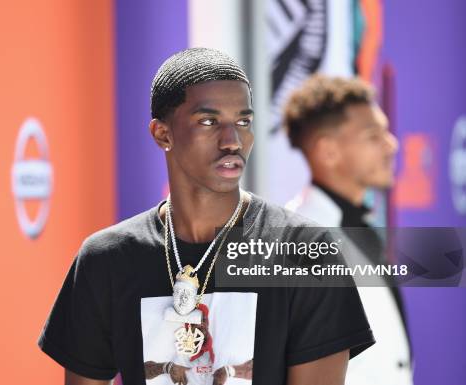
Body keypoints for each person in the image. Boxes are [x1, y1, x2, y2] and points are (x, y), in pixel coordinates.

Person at [38, 48, 374, 385]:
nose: (232, 141)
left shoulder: (305, 250)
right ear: (162, 134)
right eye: (209, 121)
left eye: (243, 121)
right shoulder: (106, 259)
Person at [284, 75, 412, 385]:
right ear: (328, 151)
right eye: (373, 135)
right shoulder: (290, 241)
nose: (391, 144)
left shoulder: (362, 227)